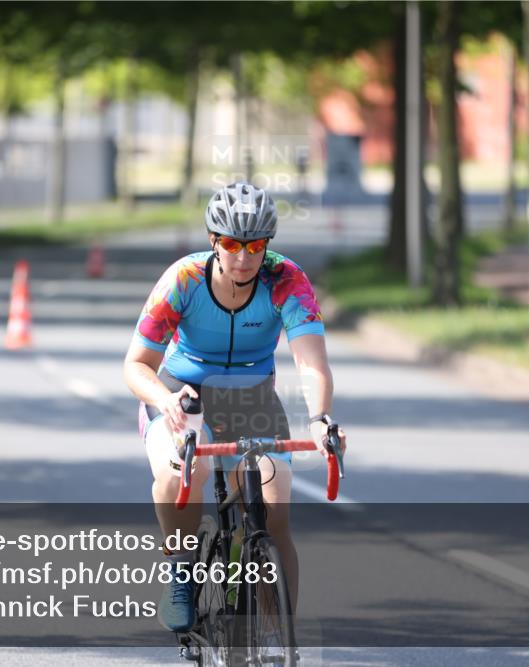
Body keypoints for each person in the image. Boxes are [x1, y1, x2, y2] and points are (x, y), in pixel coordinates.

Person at [123, 181, 348, 632]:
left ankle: (281, 635)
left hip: (252, 396)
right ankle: (181, 573)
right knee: (181, 471)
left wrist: (322, 419)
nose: (243, 257)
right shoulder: (183, 279)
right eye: (230, 244)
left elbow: (312, 364)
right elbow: (136, 366)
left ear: (267, 245)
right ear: (213, 241)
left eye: (254, 246)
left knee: (274, 503)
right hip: (183, 393)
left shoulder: (287, 281)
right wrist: (165, 399)